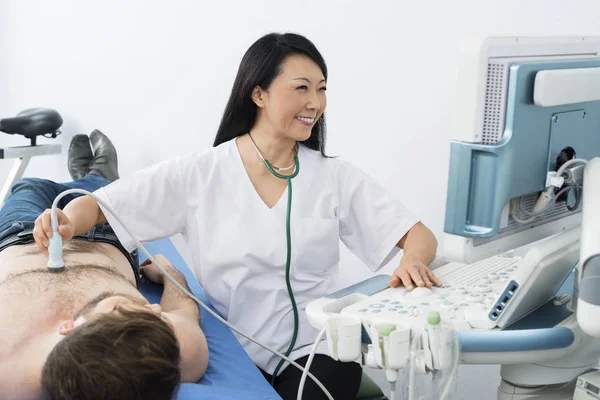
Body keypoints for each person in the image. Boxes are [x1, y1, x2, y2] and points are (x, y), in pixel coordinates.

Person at [35, 33, 440, 399]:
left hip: (315, 348)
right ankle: (90, 172)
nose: (315, 103)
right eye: (301, 88)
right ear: (258, 94)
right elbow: (103, 205)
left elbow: (419, 236)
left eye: (321, 89)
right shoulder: (201, 172)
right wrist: (67, 221)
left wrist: (412, 260)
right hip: (232, 343)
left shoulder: (334, 177)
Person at [0, 131, 208, 400]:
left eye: (121, 307)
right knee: (98, 191)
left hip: (22, 234)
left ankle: (84, 177)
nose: (155, 308)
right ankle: (97, 173)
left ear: (67, 328)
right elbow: (182, 308)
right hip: (107, 240)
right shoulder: (168, 354)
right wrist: (169, 272)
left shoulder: (8, 369)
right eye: (158, 314)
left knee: (29, 186)